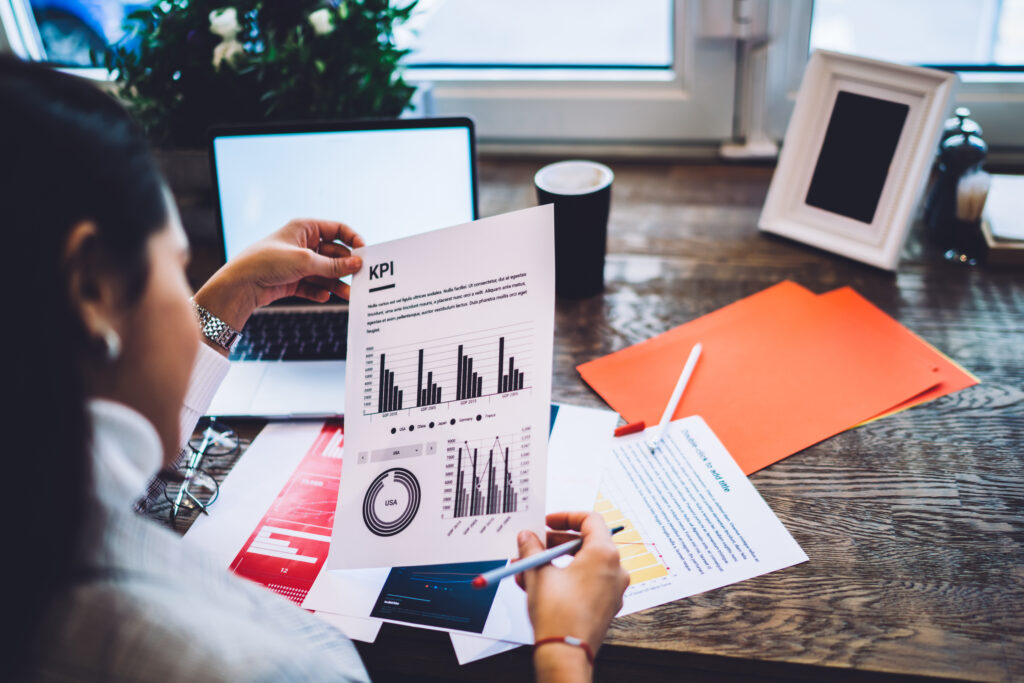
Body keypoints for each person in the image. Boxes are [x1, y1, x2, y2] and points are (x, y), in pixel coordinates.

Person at [2, 56, 630, 682]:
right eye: (179, 265)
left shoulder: (38, 509)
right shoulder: (247, 666)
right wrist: (565, 646)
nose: (190, 293)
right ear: (93, 288)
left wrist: (232, 296)